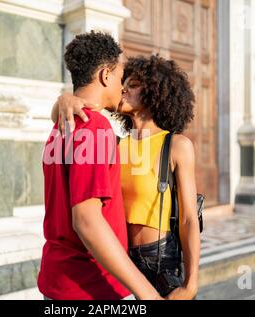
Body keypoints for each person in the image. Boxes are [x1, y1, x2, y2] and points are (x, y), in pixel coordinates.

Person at [52, 54, 200, 300]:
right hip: (119, 260)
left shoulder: (176, 145)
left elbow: (188, 220)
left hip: (160, 263)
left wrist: (191, 283)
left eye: (133, 85)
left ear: (155, 91)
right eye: (123, 84)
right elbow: (79, 107)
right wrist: (64, 99)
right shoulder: (112, 142)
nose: (123, 90)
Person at [37, 31, 163, 300]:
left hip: (58, 280)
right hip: (90, 286)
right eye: (120, 77)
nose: (122, 87)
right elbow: (87, 221)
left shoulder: (60, 126)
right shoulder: (95, 127)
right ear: (106, 75)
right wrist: (147, 293)